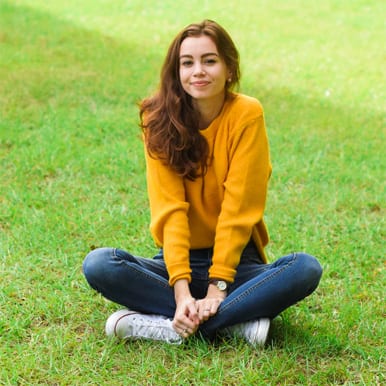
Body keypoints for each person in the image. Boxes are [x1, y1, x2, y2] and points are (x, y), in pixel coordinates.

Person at [82, 19, 322, 347]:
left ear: (229, 68)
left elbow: (239, 208)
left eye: (209, 61)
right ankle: (232, 323)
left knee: (304, 269)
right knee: (100, 265)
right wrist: (181, 290)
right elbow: (170, 210)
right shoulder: (158, 118)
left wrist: (217, 287)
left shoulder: (246, 114)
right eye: (187, 62)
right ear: (176, 71)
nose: (198, 71)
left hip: (238, 263)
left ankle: (169, 325)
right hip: (176, 262)